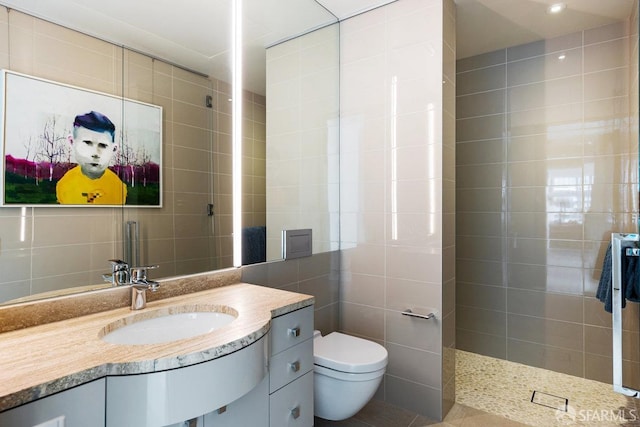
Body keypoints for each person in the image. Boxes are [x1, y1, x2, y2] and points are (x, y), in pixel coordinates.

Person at [56, 111, 127, 204]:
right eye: (87, 143)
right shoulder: (64, 185)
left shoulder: (118, 188)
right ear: (72, 142)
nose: (95, 153)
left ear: (113, 150)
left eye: (103, 145)